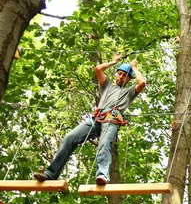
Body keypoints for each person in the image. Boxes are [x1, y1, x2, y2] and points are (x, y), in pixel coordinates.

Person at [33, 54, 146, 186]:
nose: (121, 77)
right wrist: (113, 62)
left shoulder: (129, 92)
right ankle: (51, 174)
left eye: (125, 75)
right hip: (96, 118)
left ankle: (102, 175)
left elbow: (142, 83)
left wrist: (134, 68)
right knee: (69, 138)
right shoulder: (107, 86)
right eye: (119, 73)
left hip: (112, 119)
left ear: (129, 79)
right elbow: (98, 69)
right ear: (116, 75)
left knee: (104, 145)